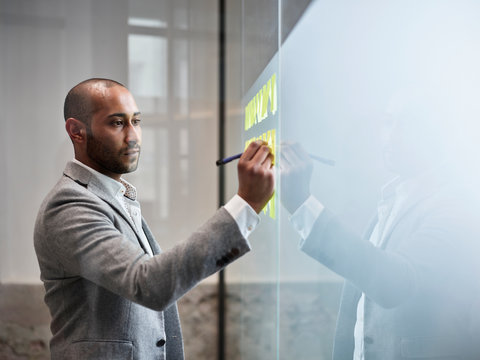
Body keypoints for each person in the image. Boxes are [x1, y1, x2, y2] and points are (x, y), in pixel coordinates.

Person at [34, 78, 274, 360]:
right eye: (117, 123)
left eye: (136, 121)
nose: (133, 135)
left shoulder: (114, 196)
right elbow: (149, 284)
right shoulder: (68, 205)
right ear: (77, 131)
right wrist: (246, 203)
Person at [280, 91, 480, 359]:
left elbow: (393, 282)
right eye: (388, 122)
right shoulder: (393, 200)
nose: (391, 136)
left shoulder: (455, 206)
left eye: (407, 125)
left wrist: (303, 205)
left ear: (438, 134)